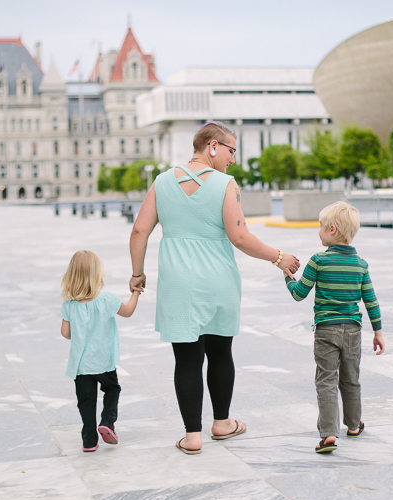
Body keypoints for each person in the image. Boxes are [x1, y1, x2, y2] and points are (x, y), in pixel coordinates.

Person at [129, 121, 301, 455]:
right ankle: (221, 424)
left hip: (177, 284)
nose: (232, 159)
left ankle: (192, 436)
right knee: (221, 352)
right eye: (230, 150)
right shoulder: (225, 185)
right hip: (218, 281)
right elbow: (239, 237)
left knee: (186, 359)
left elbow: (139, 231)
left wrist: (137, 274)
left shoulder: (162, 181)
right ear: (212, 146)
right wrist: (278, 257)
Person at [283, 201, 385, 453]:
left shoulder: (318, 260)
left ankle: (329, 434)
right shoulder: (361, 265)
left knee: (326, 381)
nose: (318, 230)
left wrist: (286, 274)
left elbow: (298, 294)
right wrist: (378, 332)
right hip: (352, 330)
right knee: (351, 379)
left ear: (331, 229)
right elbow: (371, 300)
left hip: (326, 330)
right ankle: (353, 425)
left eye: (320, 226)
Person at [60, 250, 140, 452]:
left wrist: (79, 331)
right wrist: (136, 293)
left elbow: (65, 333)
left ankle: (89, 440)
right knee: (112, 390)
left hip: (81, 366)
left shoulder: (69, 305)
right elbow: (128, 312)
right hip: (103, 361)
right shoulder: (108, 300)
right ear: (98, 274)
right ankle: (107, 423)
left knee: (85, 402)